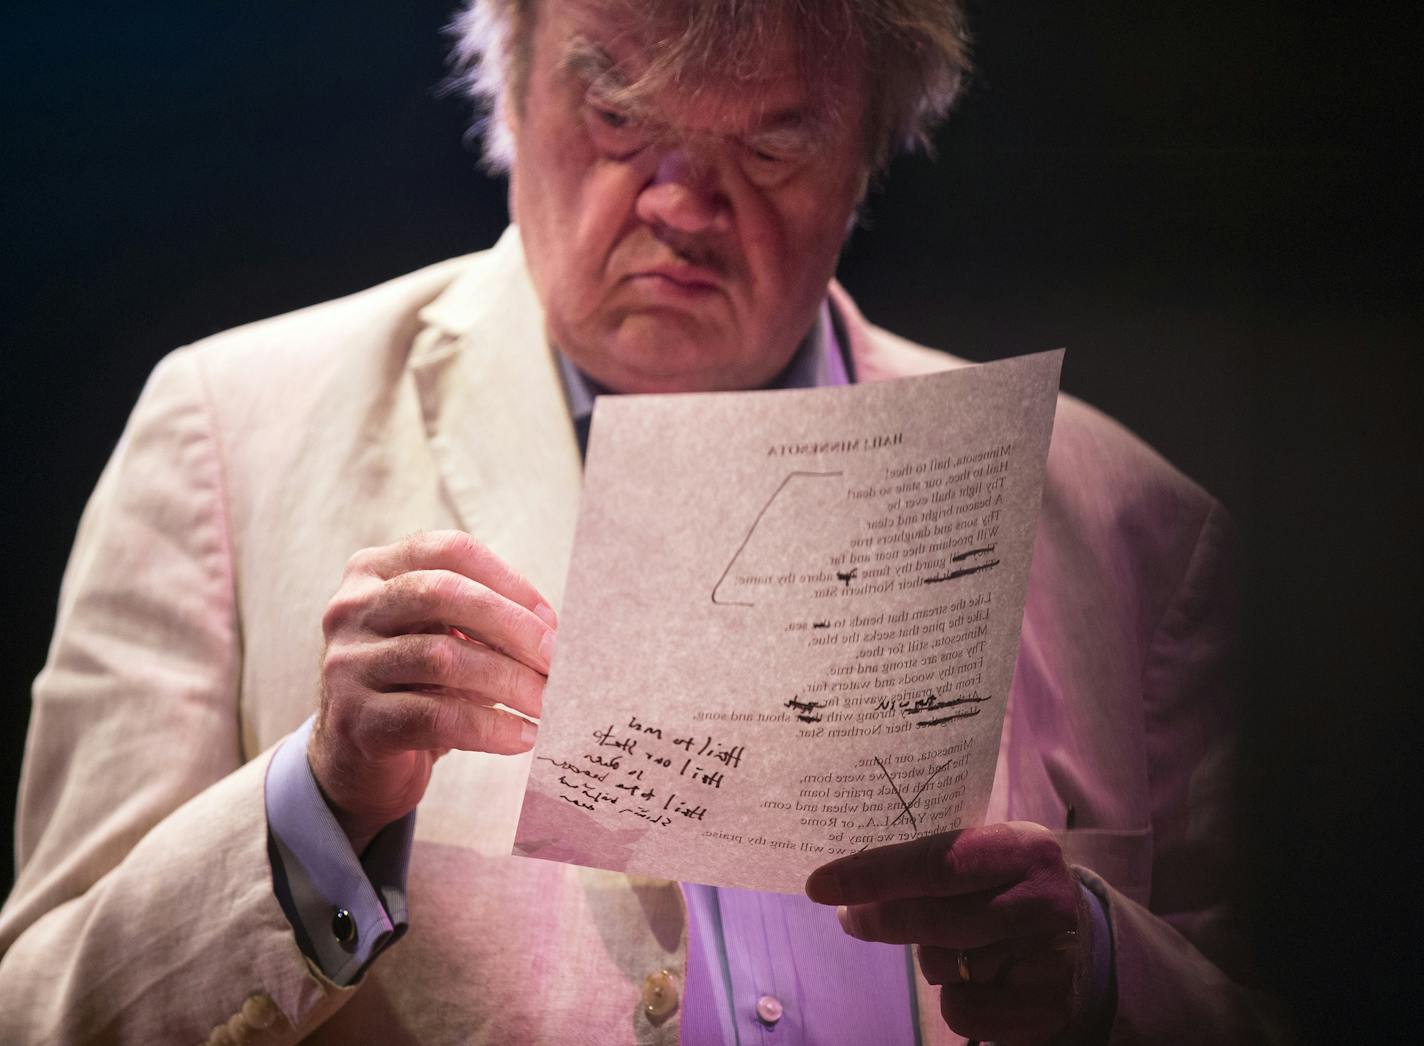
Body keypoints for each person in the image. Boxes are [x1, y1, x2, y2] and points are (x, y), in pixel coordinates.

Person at [0, 1, 1287, 1042]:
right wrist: (317, 806)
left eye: (772, 142)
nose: (678, 203)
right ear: (505, 83)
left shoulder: (1129, 529)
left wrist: (1111, 973)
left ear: (873, 155)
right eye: (616, 112)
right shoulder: (229, 431)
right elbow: (40, 1012)